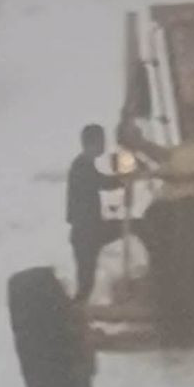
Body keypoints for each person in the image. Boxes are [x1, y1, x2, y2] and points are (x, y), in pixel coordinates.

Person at [67, 123, 134, 302]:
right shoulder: (81, 166)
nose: (104, 145)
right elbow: (100, 182)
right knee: (86, 282)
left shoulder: (85, 165)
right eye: (101, 141)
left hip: (91, 230)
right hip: (87, 232)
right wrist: (123, 179)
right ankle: (76, 312)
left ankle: (78, 310)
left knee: (86, 280)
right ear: (92, 143)